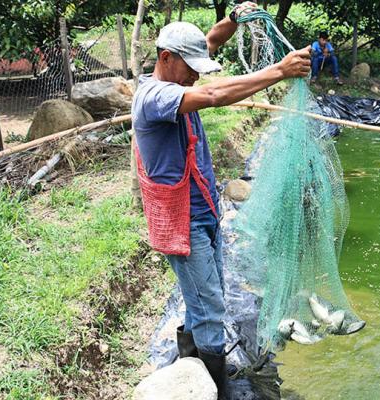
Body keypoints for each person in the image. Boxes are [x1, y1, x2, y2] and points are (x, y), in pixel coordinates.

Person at [131, 3, 311, 399]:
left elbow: (211, 41)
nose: (197, 73)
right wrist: (279, 71)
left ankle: (194, 366)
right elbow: (213, 94)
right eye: (190, 66)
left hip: (204, 209)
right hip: (182, 221)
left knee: (201, 297)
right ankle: (217, 386)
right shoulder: (156, 96)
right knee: (211, 306)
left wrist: (232, 19)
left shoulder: (179, 73)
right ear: (165, 58)